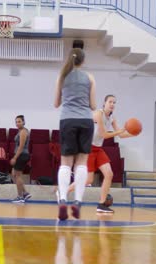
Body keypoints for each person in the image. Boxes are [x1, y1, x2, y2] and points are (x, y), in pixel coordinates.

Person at [65, 95, 133, 213]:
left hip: (98, 148)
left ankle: (101, 205)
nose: (112, 104)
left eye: (114, 102)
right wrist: (120, 131)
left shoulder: (112, 118)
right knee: (88, 180)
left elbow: (121, 135)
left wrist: (133, 133)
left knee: (109, 174)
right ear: (104, 103)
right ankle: (63, 192)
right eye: (110, 102)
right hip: (88, 147)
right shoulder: (98, 114)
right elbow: (104, 135)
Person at [54, 48, 96, 220]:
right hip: (86, 121)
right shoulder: (90, 78)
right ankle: (77, 202)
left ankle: (63, 199)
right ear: (83, 61)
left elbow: (56, 103)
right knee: (82, 163)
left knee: (66, 162)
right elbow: (93, 105)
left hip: (67, 120)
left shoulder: (62, 76)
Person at [10, 115, 32, 203]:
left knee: (17, 175)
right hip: (21, 155)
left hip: (21, 155)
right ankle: (25, 193)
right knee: (14, 174)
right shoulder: (20, 131)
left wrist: (15, 158)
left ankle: (20, 197)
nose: (17, 123)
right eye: (16, 122)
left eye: (19, 121)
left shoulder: (23, 131)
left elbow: (21, 146)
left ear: (23, 122)